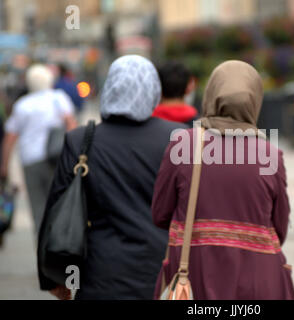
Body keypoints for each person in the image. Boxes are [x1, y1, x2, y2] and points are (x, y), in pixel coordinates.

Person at [38, 55, 188, 300]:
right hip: (164, 273)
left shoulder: (81, 140)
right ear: (153, 91)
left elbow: (56, 211)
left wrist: (55, 278)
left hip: (100, 273)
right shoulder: (180, 138)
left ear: (110, 87)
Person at [152, 61, 294, 300]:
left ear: (211, 95)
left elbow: (160, 214)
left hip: (195, 279)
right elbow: (279, 228)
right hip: (258, 283)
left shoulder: (184, 145)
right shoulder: (270, 155)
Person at [0, 64, 77, 235]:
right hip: (56, 159)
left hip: (30, 161)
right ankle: (58, 243)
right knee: (58, 203)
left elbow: (10, 137)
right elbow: (72, 126)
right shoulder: (59, 99)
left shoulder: (23, 105)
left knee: (37, 206)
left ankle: (41, 248)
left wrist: (4, 165)